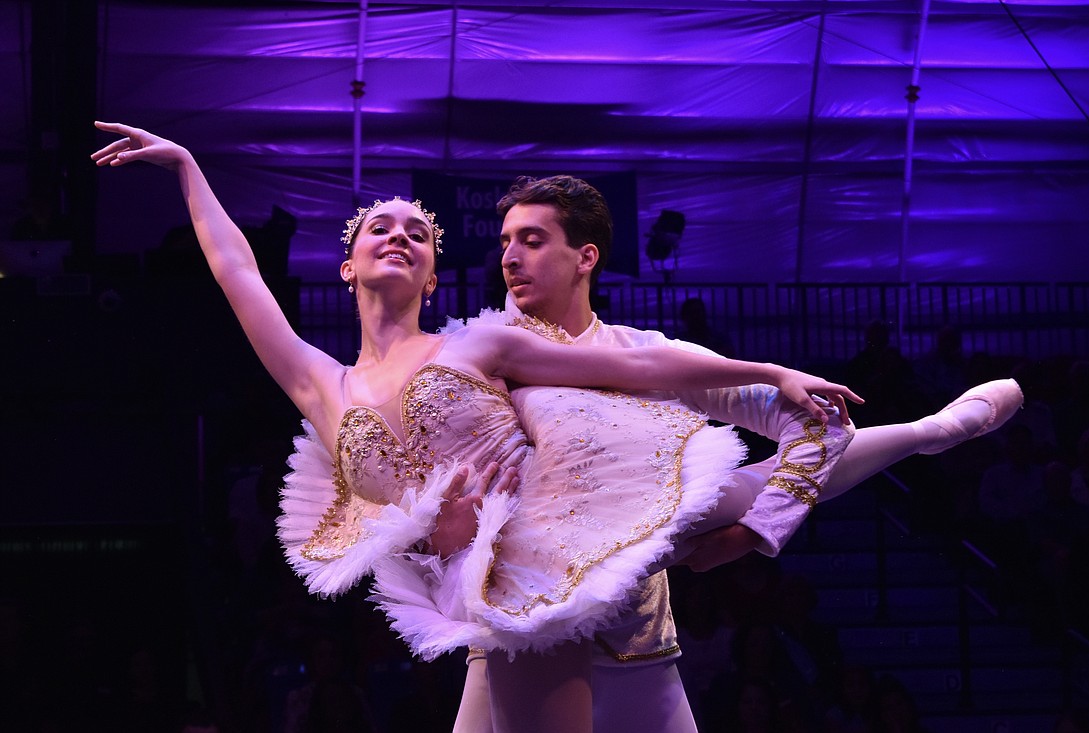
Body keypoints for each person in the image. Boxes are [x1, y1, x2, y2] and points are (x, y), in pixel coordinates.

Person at [90, 123, 865, 730]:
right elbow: (238, 270)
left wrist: (768, 373)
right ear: (347, 267)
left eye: (416, 234)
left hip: (558, 528)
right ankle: (927, 432)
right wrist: (189, 167)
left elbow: (637, 366)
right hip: (485, 582)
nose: (397, 235)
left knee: (748, 487)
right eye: (378, 229)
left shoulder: (478, 341)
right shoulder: (321, 383)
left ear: (431, 273)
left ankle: (926, 431)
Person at [441, 174, 1025, 733]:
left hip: (631, 634)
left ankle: (930, 431)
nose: (510, 257)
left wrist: (752, 532)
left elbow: (818, 425)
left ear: (586, 257)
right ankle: (929, 430)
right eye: (505, 243)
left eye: (532, 240)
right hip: (518, 621)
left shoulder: (650, 355)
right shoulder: (477, 361)